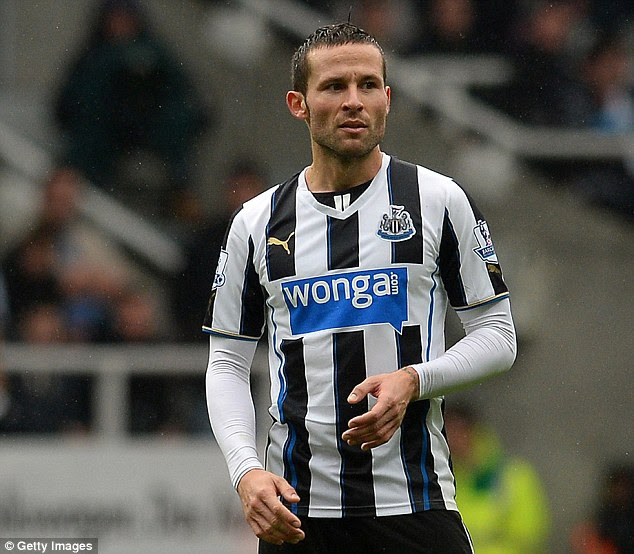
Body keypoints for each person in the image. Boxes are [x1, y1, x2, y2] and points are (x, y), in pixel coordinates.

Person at [204, 23, 516, 552]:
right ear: (298, 104)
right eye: (334, 86)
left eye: (368, 85)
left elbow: (499, 337)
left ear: (387, 99)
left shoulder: (438, 201)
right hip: (298, 514)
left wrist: (414, 379)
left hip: (415, 504)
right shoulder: (256, 224)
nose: (354, 100)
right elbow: (227, 363)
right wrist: (245, 470)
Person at [444, 404, 550, 553]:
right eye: (447, 434)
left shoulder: (515, 476)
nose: (452, 441)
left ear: (475, 432)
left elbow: (530, 534)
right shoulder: (445, 480)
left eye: (457, 431)